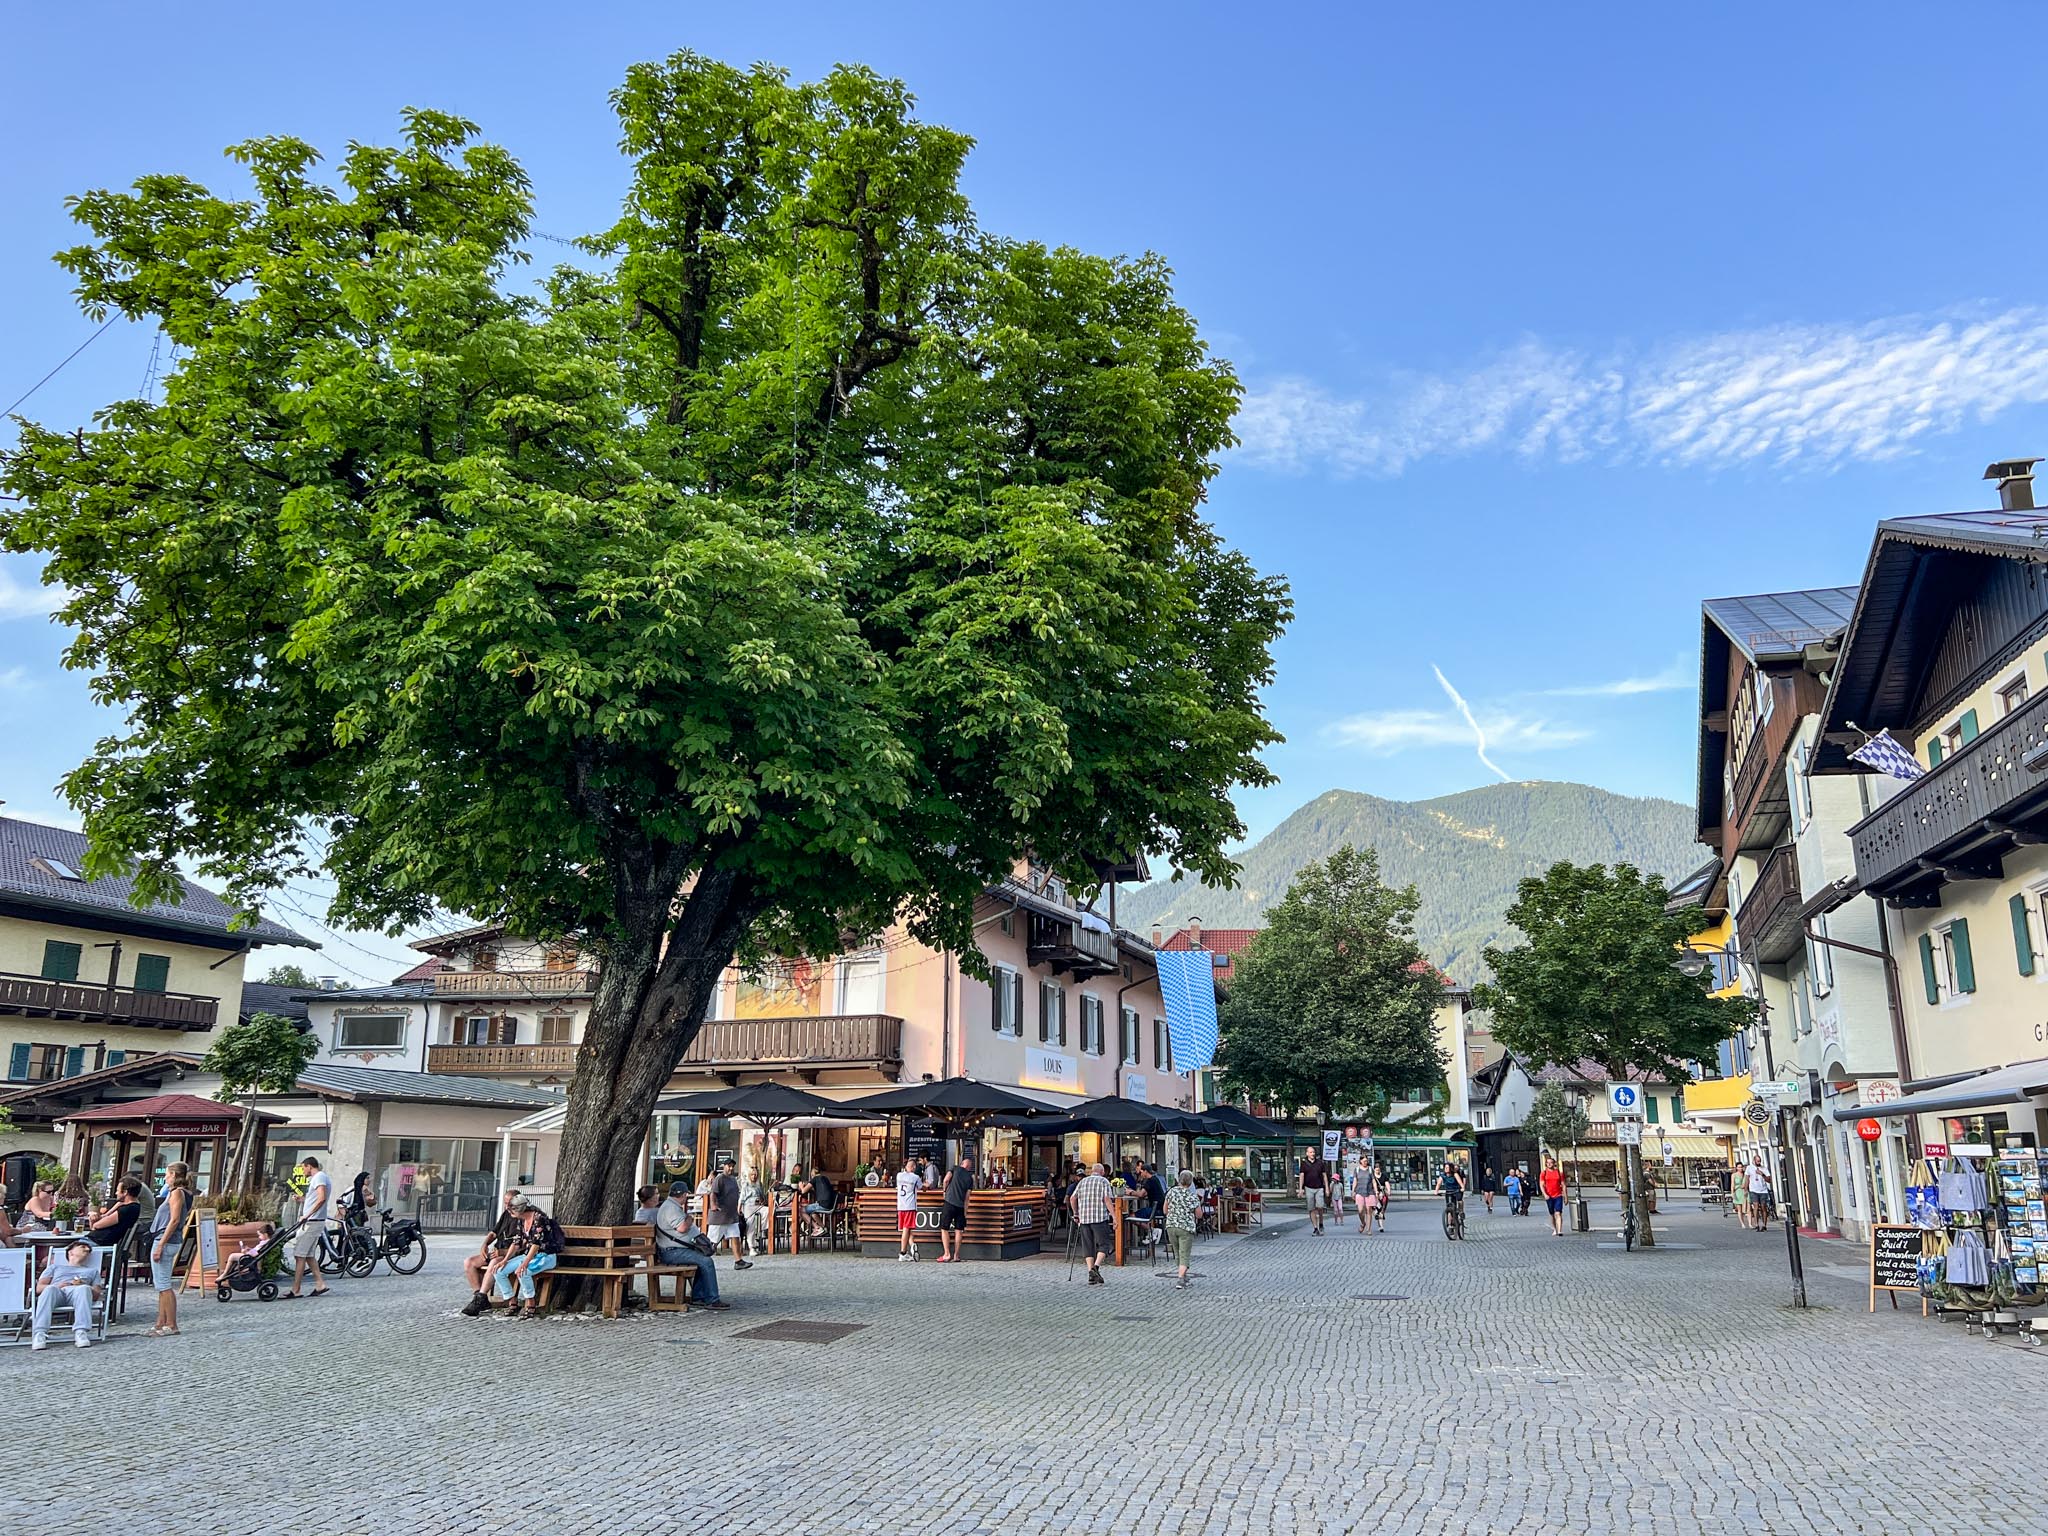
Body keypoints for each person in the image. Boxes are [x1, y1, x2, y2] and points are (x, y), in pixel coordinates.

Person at [652, 1180, 728, 1310]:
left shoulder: (670, 1206)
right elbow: (682, 1228)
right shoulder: (670, 1208)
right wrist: (689, 1218)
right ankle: (712, 1299)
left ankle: (699, 1297)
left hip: (674, 1249)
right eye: (686, 1195)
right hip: (672, 1251)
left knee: (700, 1262)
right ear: (683, 1195)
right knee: (706, 1261)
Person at [493, 1202, 565, 1318]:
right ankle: (512, 1301)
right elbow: (516, 1242)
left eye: (512, 1210)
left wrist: (524, 1264)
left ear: (520, 1210)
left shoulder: (539, 1219)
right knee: (498, 1271)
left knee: (523, 1272)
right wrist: (505, 1260)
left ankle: (530, 1303)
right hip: (528, 1255)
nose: (510, 1213)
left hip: (545, 1256)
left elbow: (536, 1244)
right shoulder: (521, 1220)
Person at [30, 1238, 102, 1351]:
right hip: (57, 1293)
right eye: (83, 1247)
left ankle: (81, 1332)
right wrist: (58, 1286)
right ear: (71, 1252)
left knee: (83, 1289)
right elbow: (39, 1288)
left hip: (78, 1294)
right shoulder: (55, 1267)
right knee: (49, 1289)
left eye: (88, 1249)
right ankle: (40, 1333)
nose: (87, 1250)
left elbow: (97, 1294)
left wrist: (85, 1286)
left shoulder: (92, 1271)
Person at [148, 1161, 193, 1335]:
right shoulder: (184, 1193)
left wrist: (160, 1244)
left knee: (164, 1284)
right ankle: (161, 1322)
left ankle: (172, 1324)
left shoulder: (177, 1193)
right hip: (169, 1240)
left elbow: (174, 1220)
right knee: (161, 1284)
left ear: (174, 1175)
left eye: (167, 1174)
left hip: (165, 1240)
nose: (165, 1177)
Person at [285, 1155, 332, 1300]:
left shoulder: (319, 1177)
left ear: (309, 1166)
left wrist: (307, 1215)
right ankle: (320, 1284)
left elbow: (321, 1197)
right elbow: (315, 1198)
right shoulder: (320, 1178)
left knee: (300, 1255)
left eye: (303, 1168)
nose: (302, 1171)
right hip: (314, 1221)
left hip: (312, 1222)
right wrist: (302, 1200)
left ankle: (296, 1289)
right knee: (309, 1255)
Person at [1070, 1161, 1115, 1284]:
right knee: (1104, 1244)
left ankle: (1091, 1274)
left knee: (1088, 1246)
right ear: (1102, 1172)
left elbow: (1072, 1198)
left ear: (1091, 1171)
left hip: (1084, 1219)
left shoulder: (1083, 1182)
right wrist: (1114, 1216)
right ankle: (1095, 1267)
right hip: (1099, 1218)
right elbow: (1107, 1200)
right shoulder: (1104, 1181)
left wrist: (1076, 1213)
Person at [707, 1157, 751, 1269]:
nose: (731, 1168)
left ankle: (738, 1261)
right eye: (729, 1166)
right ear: (724, 1166)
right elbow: (713, 1193)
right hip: (720, 1216)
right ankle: (702, 1260)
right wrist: (713, 1205)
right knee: (713, 1241)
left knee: (735, 1236)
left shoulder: (732, 1179)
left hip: (731, 1215)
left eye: (732, 1166)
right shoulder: (719, 1179)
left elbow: (734, 1195)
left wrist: (738, 1209)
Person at [1164, 1169, 1201, 1288]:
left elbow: (1165, 1210)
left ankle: (1184, 1276)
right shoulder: (1192, 1196)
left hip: (1171, 1226)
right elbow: (1199, 1214)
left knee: (1177, 1252)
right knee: (1184, 1253)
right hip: (1185, 1227)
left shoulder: (1171, 1192)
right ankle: (1180, 1279)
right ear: (1190, 1183)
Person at [86, 1177, 143, 1253]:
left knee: (66, 1254)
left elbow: (96, 1226)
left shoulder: (126, 1209)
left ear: (125, 1192)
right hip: (97, 1242)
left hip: (96, 1244)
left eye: (117, 1190)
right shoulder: (132, 1207)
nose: (116, 1193)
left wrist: (92, 1218)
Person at [936, 1154, 974, 1263]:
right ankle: (956, 1255)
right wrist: (965, 1211)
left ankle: (947, 1254)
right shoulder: (970, 1179)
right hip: (961, 1206)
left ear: (962, 1164)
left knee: (944, 1228)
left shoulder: (955, 1168)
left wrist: (944, 1191)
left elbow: (946, 1180)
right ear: (969, 1168)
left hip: (949, 1202)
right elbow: (967, 1197)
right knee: (959, 1230)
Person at [894, 1153, 924, 1262]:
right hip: (910, 1206)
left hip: (900, 1206)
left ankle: (912, 1246)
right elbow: (922, 1187)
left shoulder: (899, 1175)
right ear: (914, 1167)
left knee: (908, 1229)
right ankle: (902, 1252)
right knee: (906, 1229)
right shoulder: (915, 1177)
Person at [1300, 1149, 1333, 1234]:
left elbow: (1324, 1175)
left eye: (1313, 1152)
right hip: (1308, 1187)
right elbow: (1302, 1175)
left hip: (1319, 1187)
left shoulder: (1320, 1163)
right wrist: (1300, 1189)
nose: (1312, 1154)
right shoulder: (1304, 1163)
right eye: (1310, 1152)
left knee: (1320, 1206)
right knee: (1311, 1208)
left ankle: (1321, 1222)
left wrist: (1327, 1188)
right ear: (1307, 1153)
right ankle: (1315, 1227)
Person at [801, 1167, 837, 1239]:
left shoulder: (815, 1179)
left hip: (822, 1204)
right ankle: (823, 1228)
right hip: (831, 1205)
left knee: (801, 1210)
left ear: (812, 1174)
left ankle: (817, 1227)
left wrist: (801, 1186)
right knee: (813, 1213)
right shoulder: (825, 1178)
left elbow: (803, 1191)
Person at [1540, 1155, 1567, 1236]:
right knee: (1552, 1213)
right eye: (1548, 1163)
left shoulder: (1559, 1173)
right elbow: (1541, 1184)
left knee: (1558, 1213)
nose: (1549, 1164)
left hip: (1558, 1195)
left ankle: (1559, 1230)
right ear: (1546, 1164)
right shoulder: (1543, 1173)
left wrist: (1566, 1197)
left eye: (1551, 1163)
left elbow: (1563, 1185)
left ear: (1554, 1163)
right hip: (1549, 1195)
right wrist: (1544, 1194)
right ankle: (1555, 1229)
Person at [1747, 1155, 1775, 1228]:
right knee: (1755, 1206)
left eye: (1760, 1161)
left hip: (1763, 1190)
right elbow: (1747, 1179)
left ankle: (1764, 1225)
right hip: (1753, 1190)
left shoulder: (1764, 1169)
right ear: (1754, 1160)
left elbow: (1769, 1180)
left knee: (1763, 1207)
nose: (1759, 1162)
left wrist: (1762, 1174)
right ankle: (1756, 1224)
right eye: (1757, 1161)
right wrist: (1745, 1189)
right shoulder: (1749, 1168)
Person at [1438, 1160, 1466, 1234]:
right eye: (1445, 1167)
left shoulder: (1455, 1174)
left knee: (1459, 1200)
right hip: (1448, 1192)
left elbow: (1460, 1182)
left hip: (1456, 1190)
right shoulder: (1442, 1175)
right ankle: (1450, 1225)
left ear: (1450, 1168)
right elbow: (1439, 1183)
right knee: (1450, 1209)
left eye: (1447, 1167)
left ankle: (1461, 1211)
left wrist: (1462, 1187)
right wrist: (1436, 1191)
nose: (1446, 1169)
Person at [1350, 1159, 1375, 1234]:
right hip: (1359, 1191)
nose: (1365, 1162)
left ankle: (1368, 1229)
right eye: (1364, 1161)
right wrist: (1353, 1191)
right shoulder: (1357, 1170)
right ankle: (1363, 1223)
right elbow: (1355, 1180)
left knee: (1368, 1210)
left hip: (1369, 1191)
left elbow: (1373, 1180)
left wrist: (1376, 1190)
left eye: (1366, 1161)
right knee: (1360, 1211)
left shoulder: (1370, 1169)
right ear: (1360, 1161)